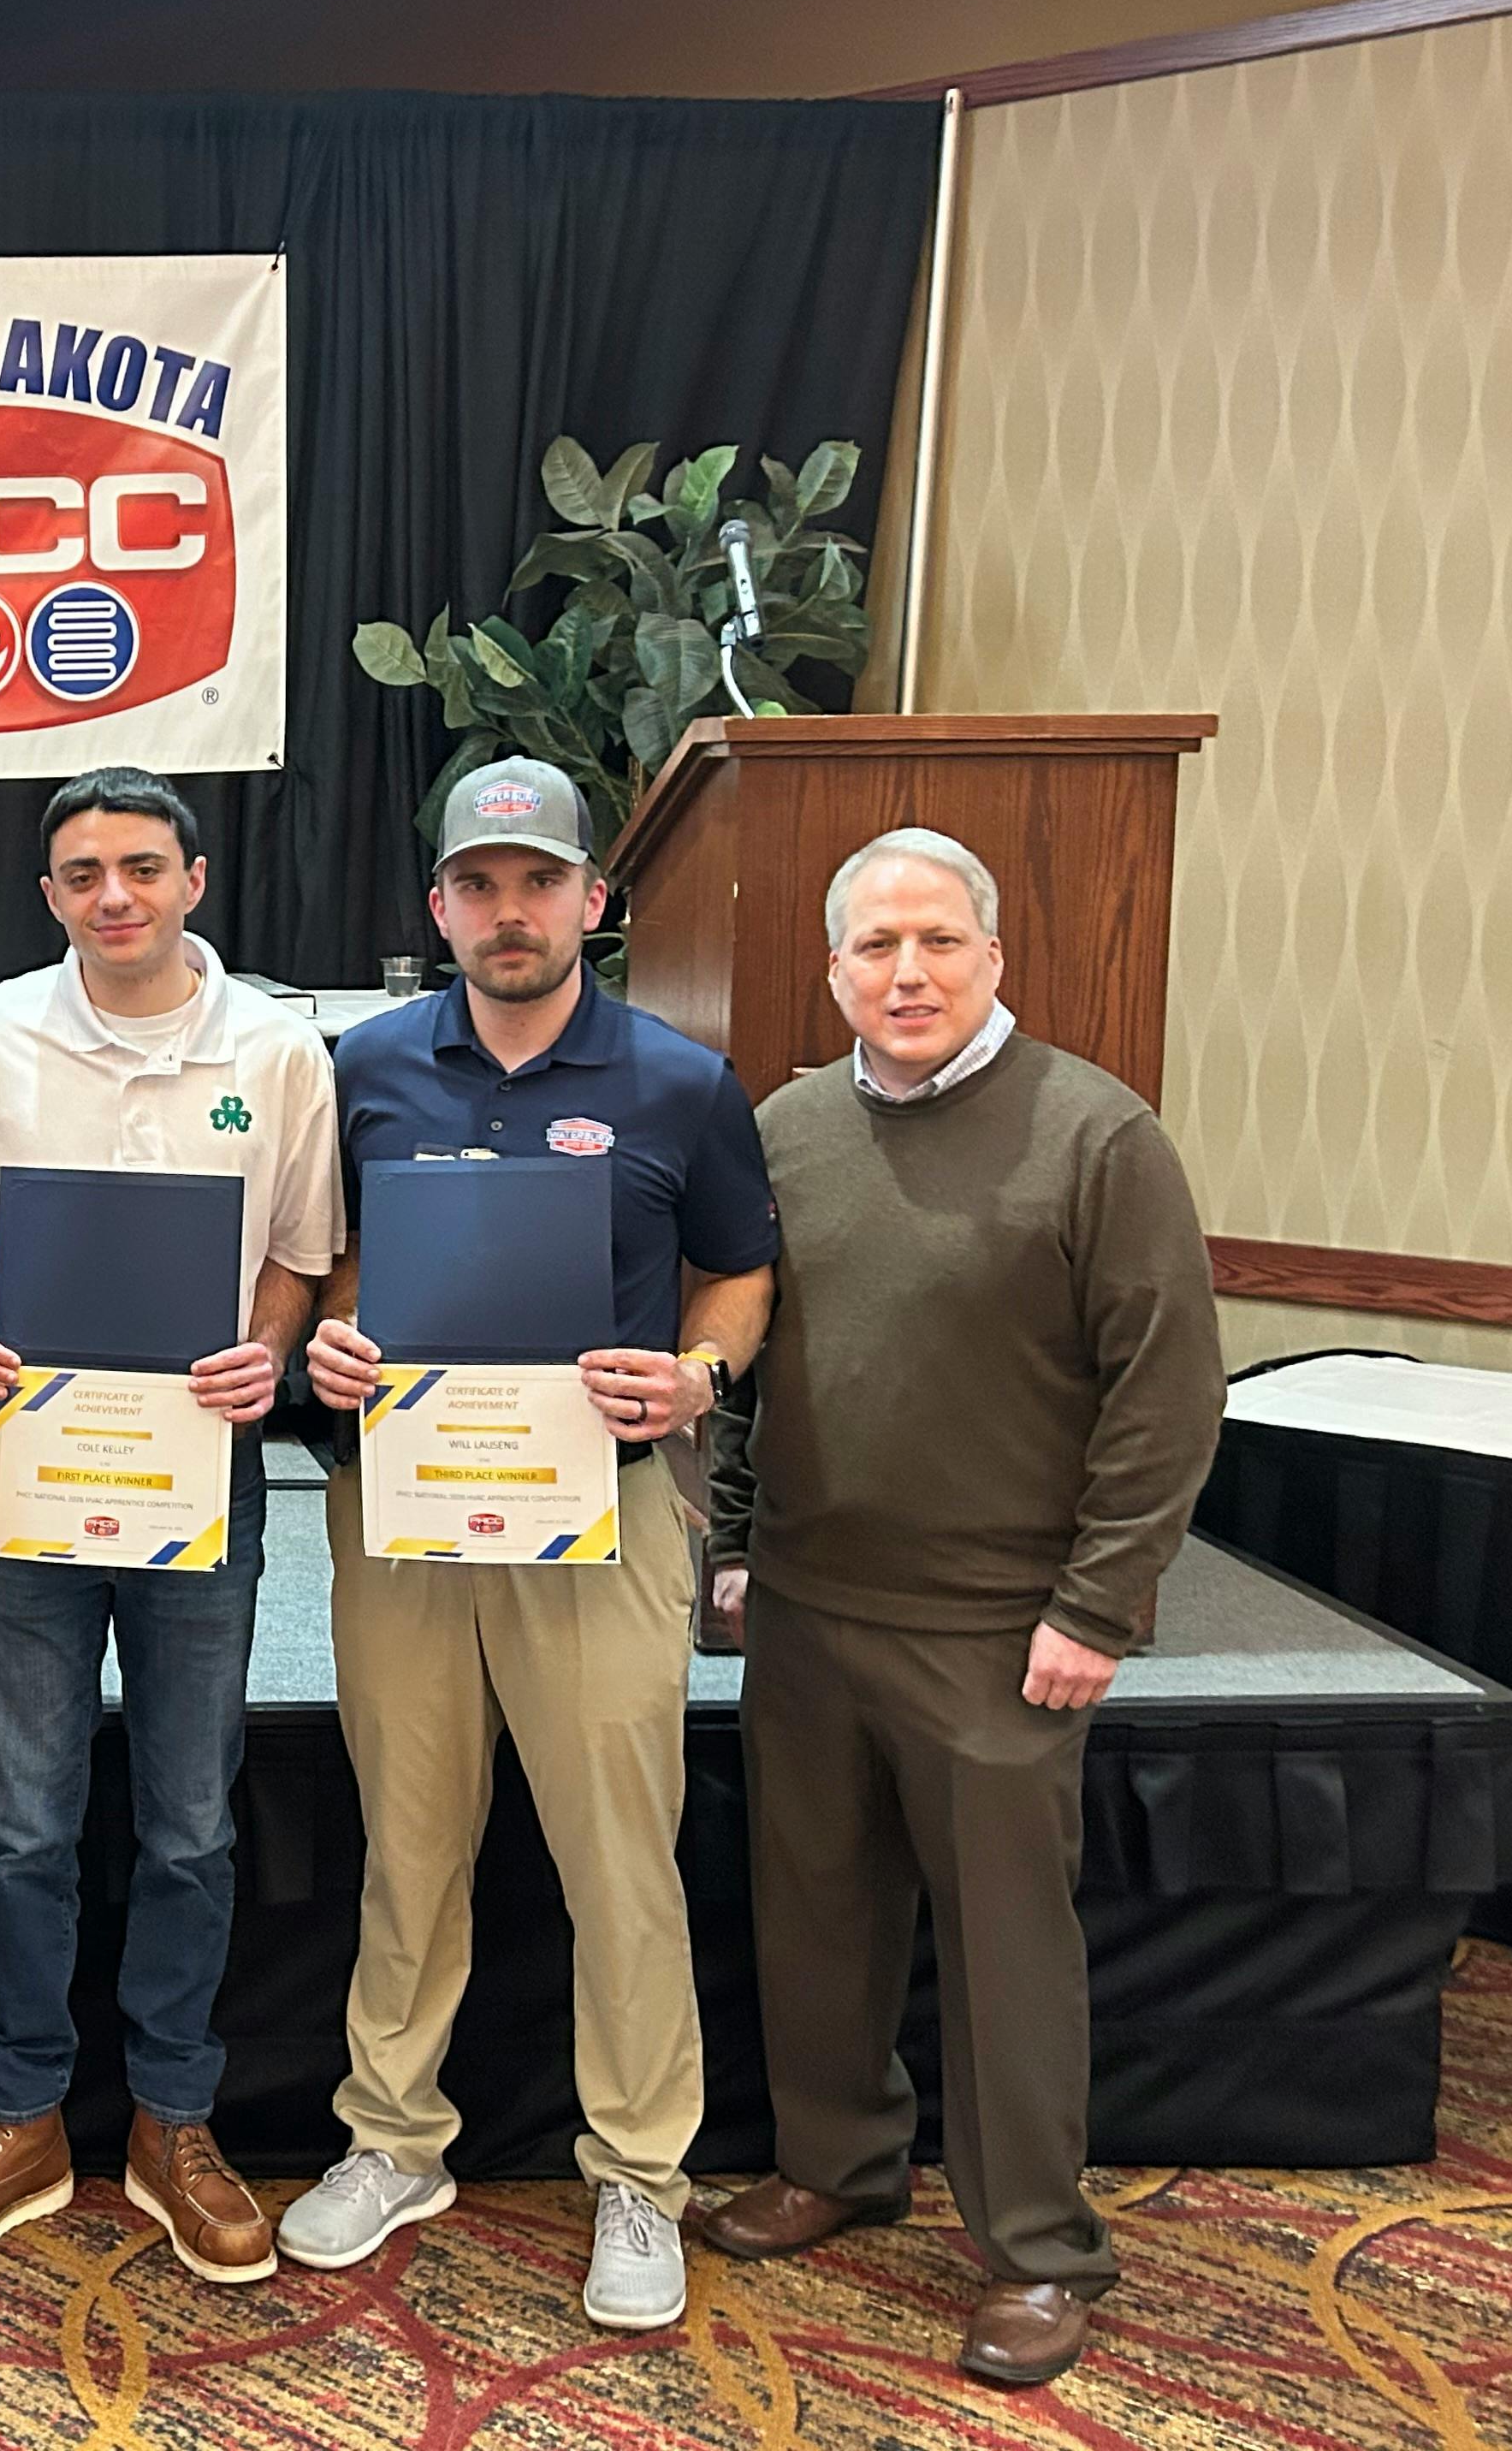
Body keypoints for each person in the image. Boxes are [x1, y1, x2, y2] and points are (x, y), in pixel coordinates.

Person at [694, 828, 1224, 2389]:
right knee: (816, 1915)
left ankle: (1037, 2249)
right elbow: (749, 1359)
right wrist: (733, 1545)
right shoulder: (786, 1127)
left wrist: (1100, 1606)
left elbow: (1165, 1393)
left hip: (1002, 1626)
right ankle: (837, 2167)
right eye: (875, 948)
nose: (906, 974)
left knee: (1005, 1951)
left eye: (937, 942)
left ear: (996, 956)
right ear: (836, 969)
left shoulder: (1096, 1135)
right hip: (803, 1604)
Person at [275, 757, 777, 2331]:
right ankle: (394, 2137)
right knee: (408, 1838)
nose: (511, 912)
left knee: (618, 1847)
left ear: (593, 904)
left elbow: (741, 1276)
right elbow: (326, 1267)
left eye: (540, 883)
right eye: (480, 886)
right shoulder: (358, 1067)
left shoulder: (682, 1083)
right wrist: (332, 1350)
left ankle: (641, 2167)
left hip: (605, 1514)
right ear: (439, 906)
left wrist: (693, 1376)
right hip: (404, 1512)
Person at [0, 766, 341, 2288]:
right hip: (34, 1477)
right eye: (82, 875)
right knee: (21, 1817)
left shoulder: (276, 1050)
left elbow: (298, 1251)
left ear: (195, 880)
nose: (114, 897)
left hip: (198, 1478)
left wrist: (268, 1353)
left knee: (191, 1820)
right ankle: (19, 2110)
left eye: (141, 867)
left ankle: (174, 2116)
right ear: (51, 895)